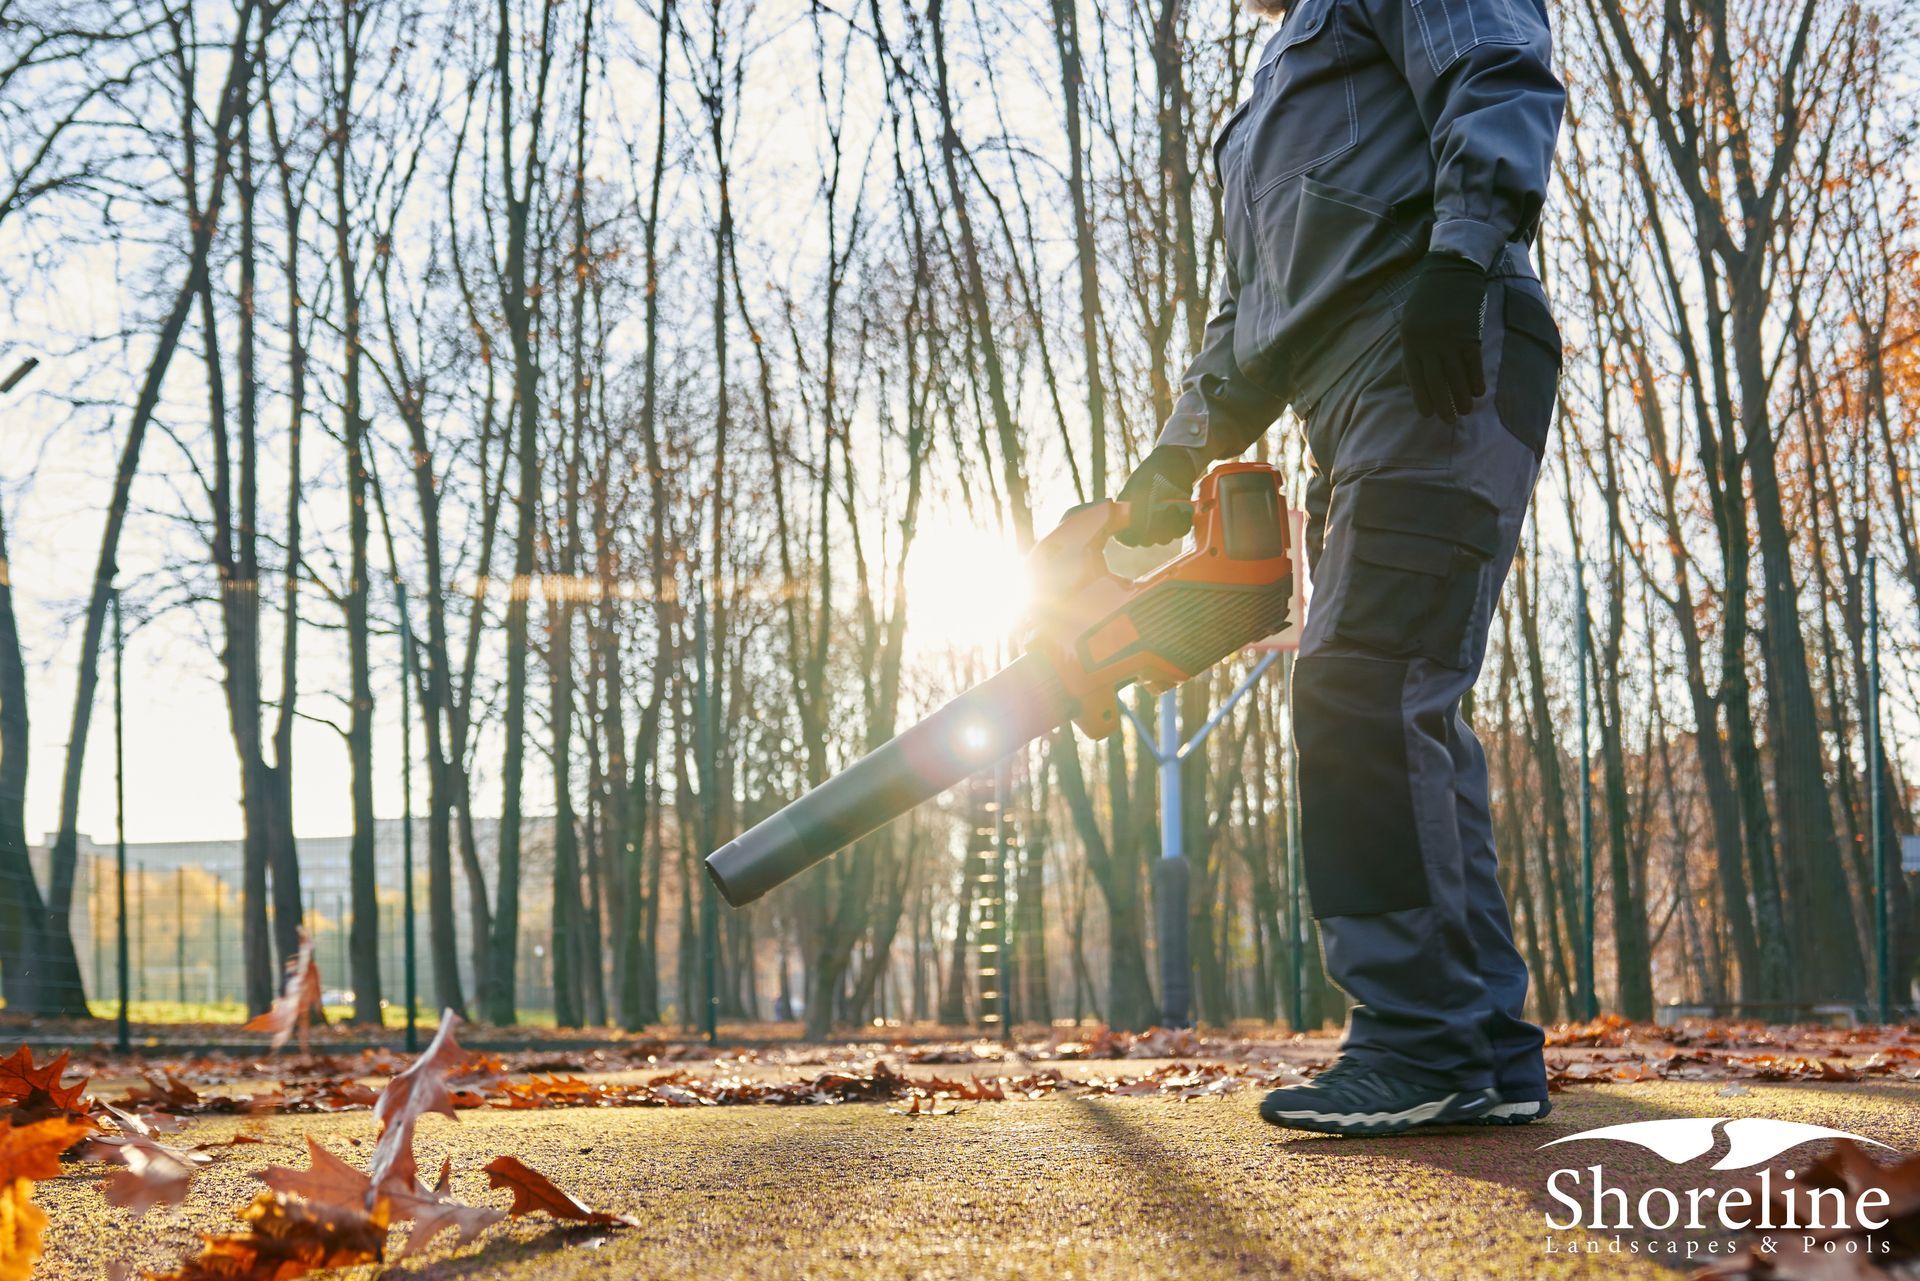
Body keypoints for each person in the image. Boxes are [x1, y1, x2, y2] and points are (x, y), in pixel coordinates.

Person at [1116, 0, 1566, 1136]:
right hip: (1344, 389)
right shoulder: (1267, 95)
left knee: (1365, 682)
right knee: (1396, 694)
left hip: (1439, 346)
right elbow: (1254, 312)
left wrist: (1463, 257)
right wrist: (1173, 461)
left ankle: (1421, 1041)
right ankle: (1481, 1047)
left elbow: (1498, 73)